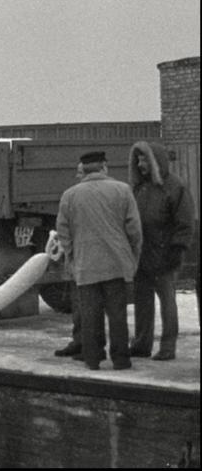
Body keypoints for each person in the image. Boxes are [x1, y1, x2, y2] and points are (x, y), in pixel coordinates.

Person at [56, 151, 142, 370]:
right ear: (104, 167)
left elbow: (63, 231)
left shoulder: (70, 195)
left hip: (86, 265)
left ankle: (93, 358)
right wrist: (132, 256)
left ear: (83, 170)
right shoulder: (123, 190)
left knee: (90, 315)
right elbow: (134, 229)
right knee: (117, 315)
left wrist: (72, 255)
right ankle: (121, 359)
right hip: (116, 264)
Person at [128, 141, 195, 361]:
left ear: (155, 160)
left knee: (167, 301)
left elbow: (184, 222)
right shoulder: (138, 188)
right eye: (138, 159)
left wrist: (177, 249)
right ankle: (141, 343)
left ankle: (168, 347)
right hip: (141, 255)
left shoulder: (175, 187)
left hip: (165, 254)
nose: (140, 163)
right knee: (142, 301)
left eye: (144, 158)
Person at [53, 163, 85, 358]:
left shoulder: (72, 196)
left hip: (83, 257)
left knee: (85, 303)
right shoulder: (119, 190)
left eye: (80, 172)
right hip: (102, 259)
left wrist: (70, 253)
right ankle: (84, 342)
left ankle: (86, 345)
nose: (77, 176)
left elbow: (63, 227)